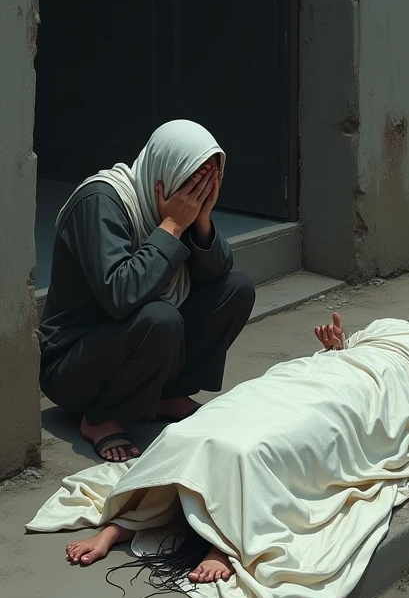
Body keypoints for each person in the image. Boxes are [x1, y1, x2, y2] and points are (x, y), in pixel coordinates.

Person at [27, 297, 409, 598]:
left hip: (379, 397)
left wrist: (408, 364)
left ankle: (227, 543)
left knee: (270, 444)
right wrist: (342, 346)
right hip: (323, 373)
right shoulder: (390, 326)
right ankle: (122, 522)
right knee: (214, 423)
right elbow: (360, 349)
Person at [38, 120, 256, 461]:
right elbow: (120, 295)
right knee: (161, 318)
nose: (195, 197)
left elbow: (219, 272)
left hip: (136, 338)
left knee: (237, 289)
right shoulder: (100, 201)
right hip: (75, 366)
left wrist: (201, 221)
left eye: (206, 186)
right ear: (165, 174)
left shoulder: (172, 205)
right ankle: (99, 417)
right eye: (191, 185)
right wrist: (170, 227)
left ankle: (163, 396)